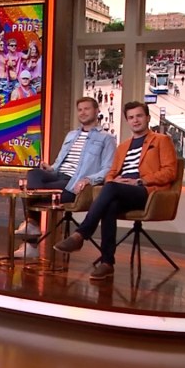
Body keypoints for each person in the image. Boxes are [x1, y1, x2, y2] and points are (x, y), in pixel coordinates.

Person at [54, 101, 177, 280]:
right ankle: (107, 263)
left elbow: (170, 172)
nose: (135, 120)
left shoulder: (161, 140)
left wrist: (140, 181)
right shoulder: (123, 146)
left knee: (110, 189)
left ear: (148, 118)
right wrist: (114, 180)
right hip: (121, 190)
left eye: (139, 116)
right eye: (131, 117)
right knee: (110, 204)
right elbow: (110, 173)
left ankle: (81, 234)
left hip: (146, 192)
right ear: (127, 121)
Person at [13, 97, 116, 258]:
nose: (82, 112)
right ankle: (32, 224)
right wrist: (50, 168)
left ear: (97, 111)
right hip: (58, 176)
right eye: (80, 109)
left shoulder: (106, 138)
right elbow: (59, 163)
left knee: (32, 193)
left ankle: (31, 241)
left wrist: (89, 179)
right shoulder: (71, 135)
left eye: (87, 109)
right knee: (33, 174)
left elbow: (108, 169)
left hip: (75, 183)